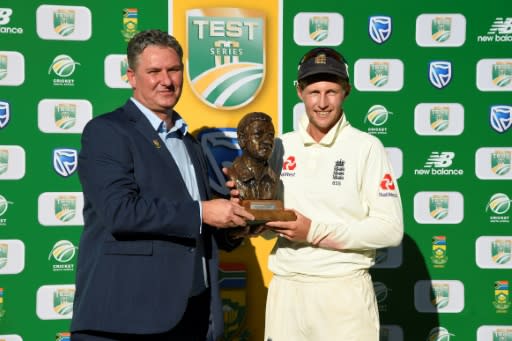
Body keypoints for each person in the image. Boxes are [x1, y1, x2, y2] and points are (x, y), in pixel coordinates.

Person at [70, 29, 254, 341]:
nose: (166, 81)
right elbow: (120, 212)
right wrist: (202, 212)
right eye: (154, 71)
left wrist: (240, 222)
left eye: (174, 70)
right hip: (126, 320)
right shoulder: (107, 131)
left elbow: (199, 225)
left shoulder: (189, 142)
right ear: (132, 76)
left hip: (190, 315)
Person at [263, 47, 404, 340]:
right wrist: (251, 220)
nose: (323, 103)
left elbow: (390, 230)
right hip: (287, 290)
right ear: (299, 91)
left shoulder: (366, 147)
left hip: (342, 292)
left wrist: (313, 231)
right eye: (314, 92)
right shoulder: (280, 147)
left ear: (346, 92)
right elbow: (269, 227)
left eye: (332, 92)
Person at [226, 111, 278, 201]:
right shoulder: (234, 174)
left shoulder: (273, 178)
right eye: (258, 134)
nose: (268, 141)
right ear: (242, 140)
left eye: (271, 135)